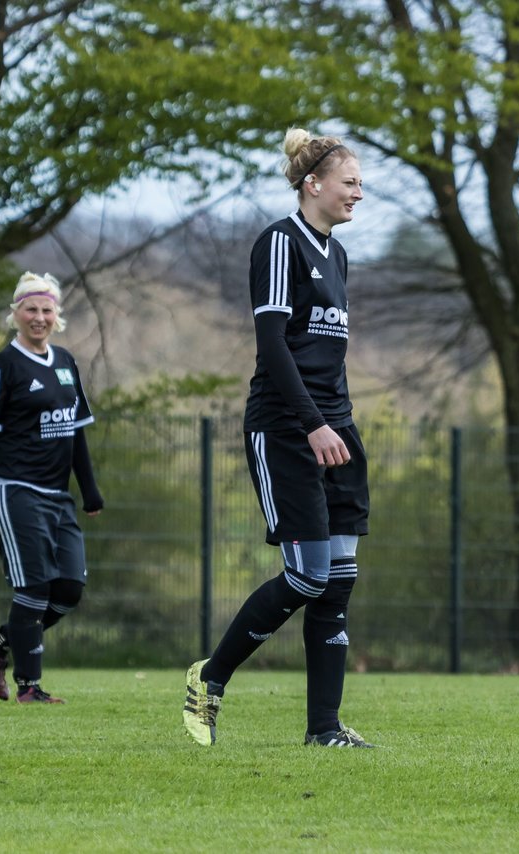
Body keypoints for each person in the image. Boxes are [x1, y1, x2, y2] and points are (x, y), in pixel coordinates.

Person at [182, 128, 372, 747]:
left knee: (337, 579)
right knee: (308, 575)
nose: (358, 194)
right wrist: (313, 423)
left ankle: (325, 730)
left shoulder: (337, 254)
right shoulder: (279, 243)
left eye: (360, 184)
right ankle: (208, 679)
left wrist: (338, 423)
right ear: (312, 184)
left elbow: (329, 357)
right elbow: (273, 347)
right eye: (350, 183)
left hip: (334, 430)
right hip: (287, 429)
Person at [0, 272, 104, 704]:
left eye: (46, 309)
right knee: (33, 587)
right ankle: (30, 686)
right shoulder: (1, 366)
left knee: (68, 589)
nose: (39, 317)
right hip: (13, 490)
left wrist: (90, 490)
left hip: (57, 497)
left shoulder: (64, 362)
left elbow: (76, 431)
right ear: (16, 315)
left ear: (56, 315)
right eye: (30, 309)